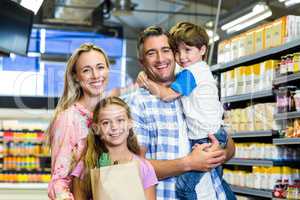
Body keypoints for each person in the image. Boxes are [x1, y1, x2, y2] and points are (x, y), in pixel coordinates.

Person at [123, 25, 235, 200]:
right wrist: (189, 163)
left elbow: (229, 145)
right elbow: (135, 168)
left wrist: (220, 153)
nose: (161, 59)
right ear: (142, 62)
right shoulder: (137, 104)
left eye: (166, 50)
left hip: (215, 193)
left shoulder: (190, 86)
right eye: (151, 53)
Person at [47, 43, 110, 200]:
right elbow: (58, 181)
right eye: (86, 70)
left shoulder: (114, 113)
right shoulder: (68, 119)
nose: (96, 75)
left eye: (100, 67)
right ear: (76, 76)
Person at [77, 96, 158, 200]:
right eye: (106, 122)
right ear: (95, 128)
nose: (114, 127)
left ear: (130, 123)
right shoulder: (85, 166)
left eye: (120, 120)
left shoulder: (144, 168)